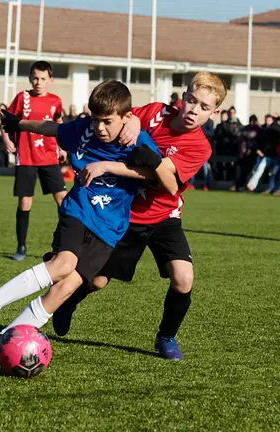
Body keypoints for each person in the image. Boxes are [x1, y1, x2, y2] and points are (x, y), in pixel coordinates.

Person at [0, 80, 176, 349]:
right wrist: (18, 124)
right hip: (78, 210)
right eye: (95, 120)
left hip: (110, 228)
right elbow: (52, 128)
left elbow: (166, 183)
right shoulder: (83, 130)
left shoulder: (138, 141)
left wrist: (111, 166)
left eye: (106, 121)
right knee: (63, 265)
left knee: (65, 289)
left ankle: (4, 340)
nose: (99, 128)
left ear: (127, 117)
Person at [51, 72, 228, 361]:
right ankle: (68, 303)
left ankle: (166, 337)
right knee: (96, 281)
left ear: (214, 113)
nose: (194, 110)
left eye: (204, 107)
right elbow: (125, 115)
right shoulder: (156, 112)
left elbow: (166, 178)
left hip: (164, 216)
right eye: (191, 101)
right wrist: (133, 120)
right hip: (125, 214)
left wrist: (131, 162)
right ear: (182, 98)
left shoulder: (200, 146)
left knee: (183, 278)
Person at [4, 61, 66, 261]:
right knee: (25, 202)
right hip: (26, 157)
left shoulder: (56, 101)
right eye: (35, 78)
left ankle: (64, 246)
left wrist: (62, 146)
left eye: (43, 79)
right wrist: (7, 140)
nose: (38, 82)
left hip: (49, 157)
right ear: (30, 79)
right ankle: (21, 247)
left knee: (62, 200)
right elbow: (7, 121)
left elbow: (58, 124)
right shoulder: (22, 97)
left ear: (50, 80)